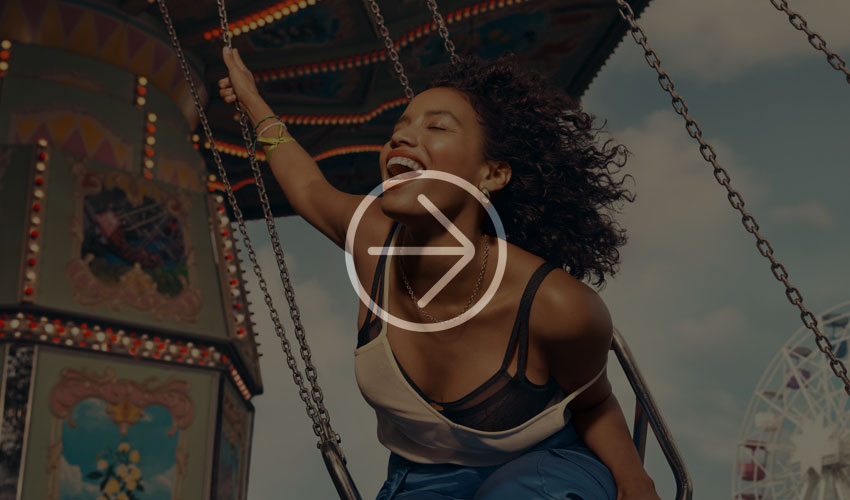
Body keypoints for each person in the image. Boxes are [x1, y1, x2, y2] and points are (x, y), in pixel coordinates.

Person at [220, 46, 659, 499]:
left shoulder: (557, 305)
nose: (402, 139)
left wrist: (634, 480)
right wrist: (254, 104)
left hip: (545, 469)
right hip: (423, 480)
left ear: (492, 174)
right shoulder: (371, 238)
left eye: (436, 126)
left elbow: (594, 402)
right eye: (399, 127)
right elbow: (307, 186)